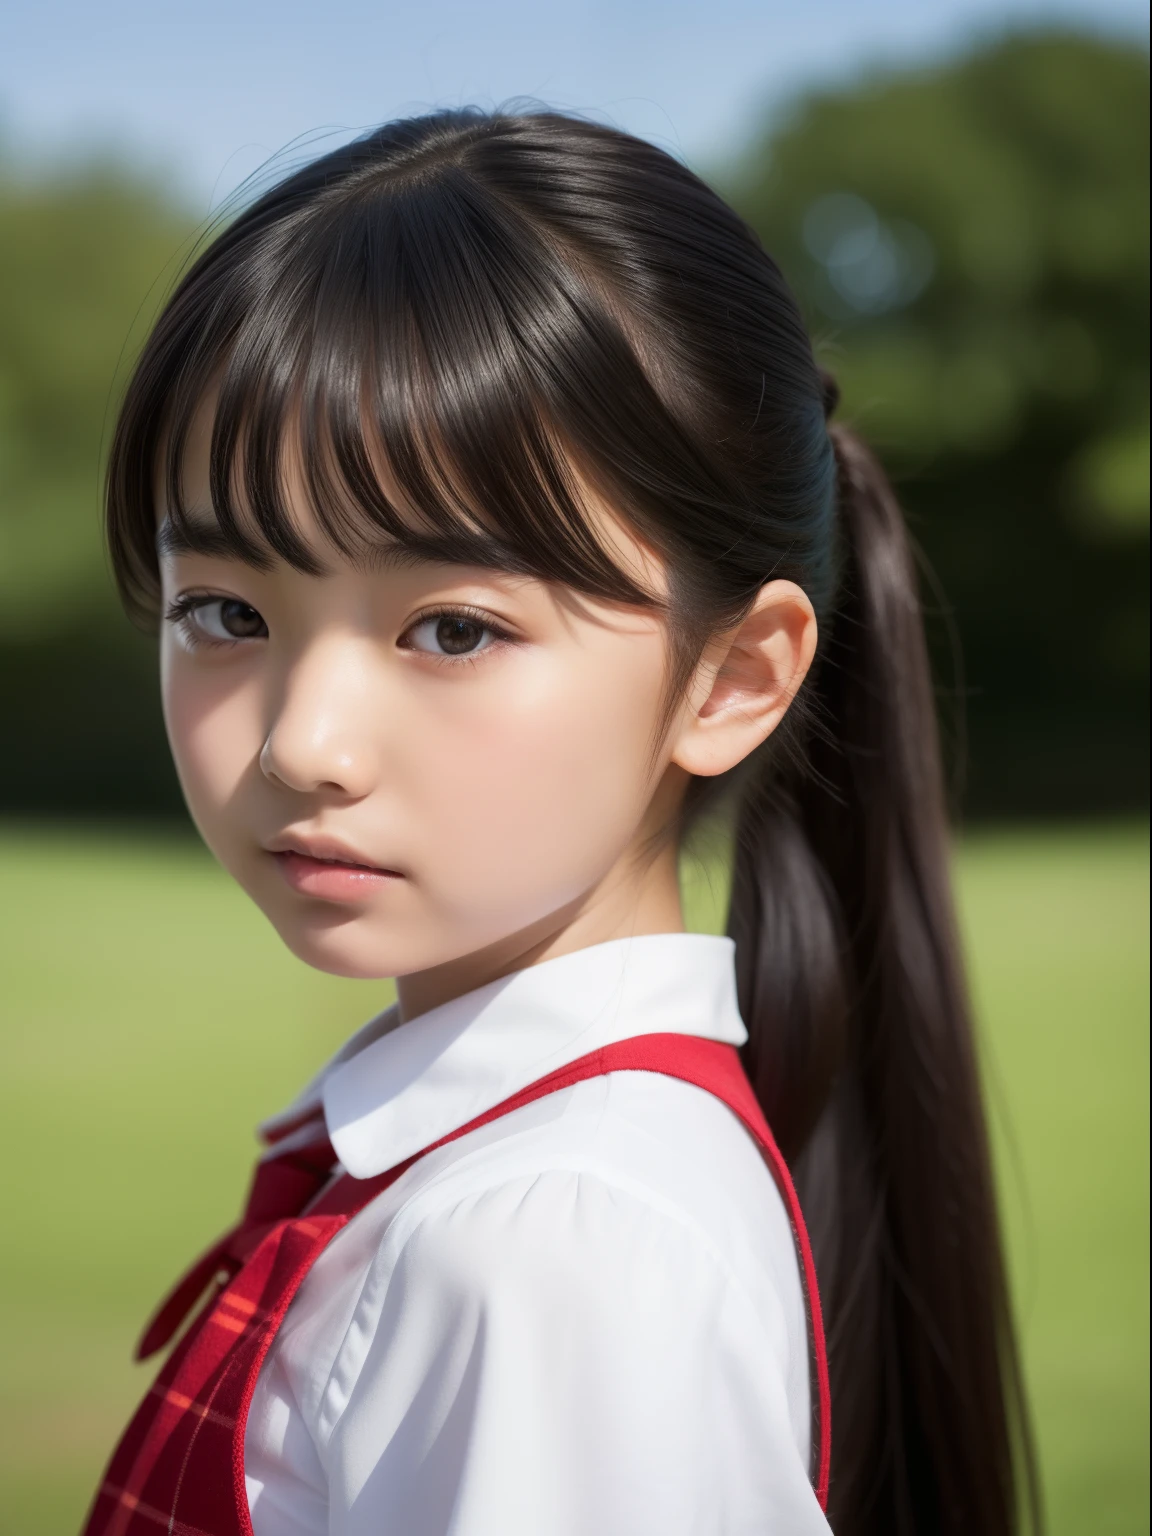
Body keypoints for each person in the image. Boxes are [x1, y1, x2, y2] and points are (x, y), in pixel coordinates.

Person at [81, 110, 1036, 1536]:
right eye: (225, 612)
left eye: (452, 629)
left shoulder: (553, 1248)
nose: (303, 743)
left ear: (733, 678)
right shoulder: (511, 1186)